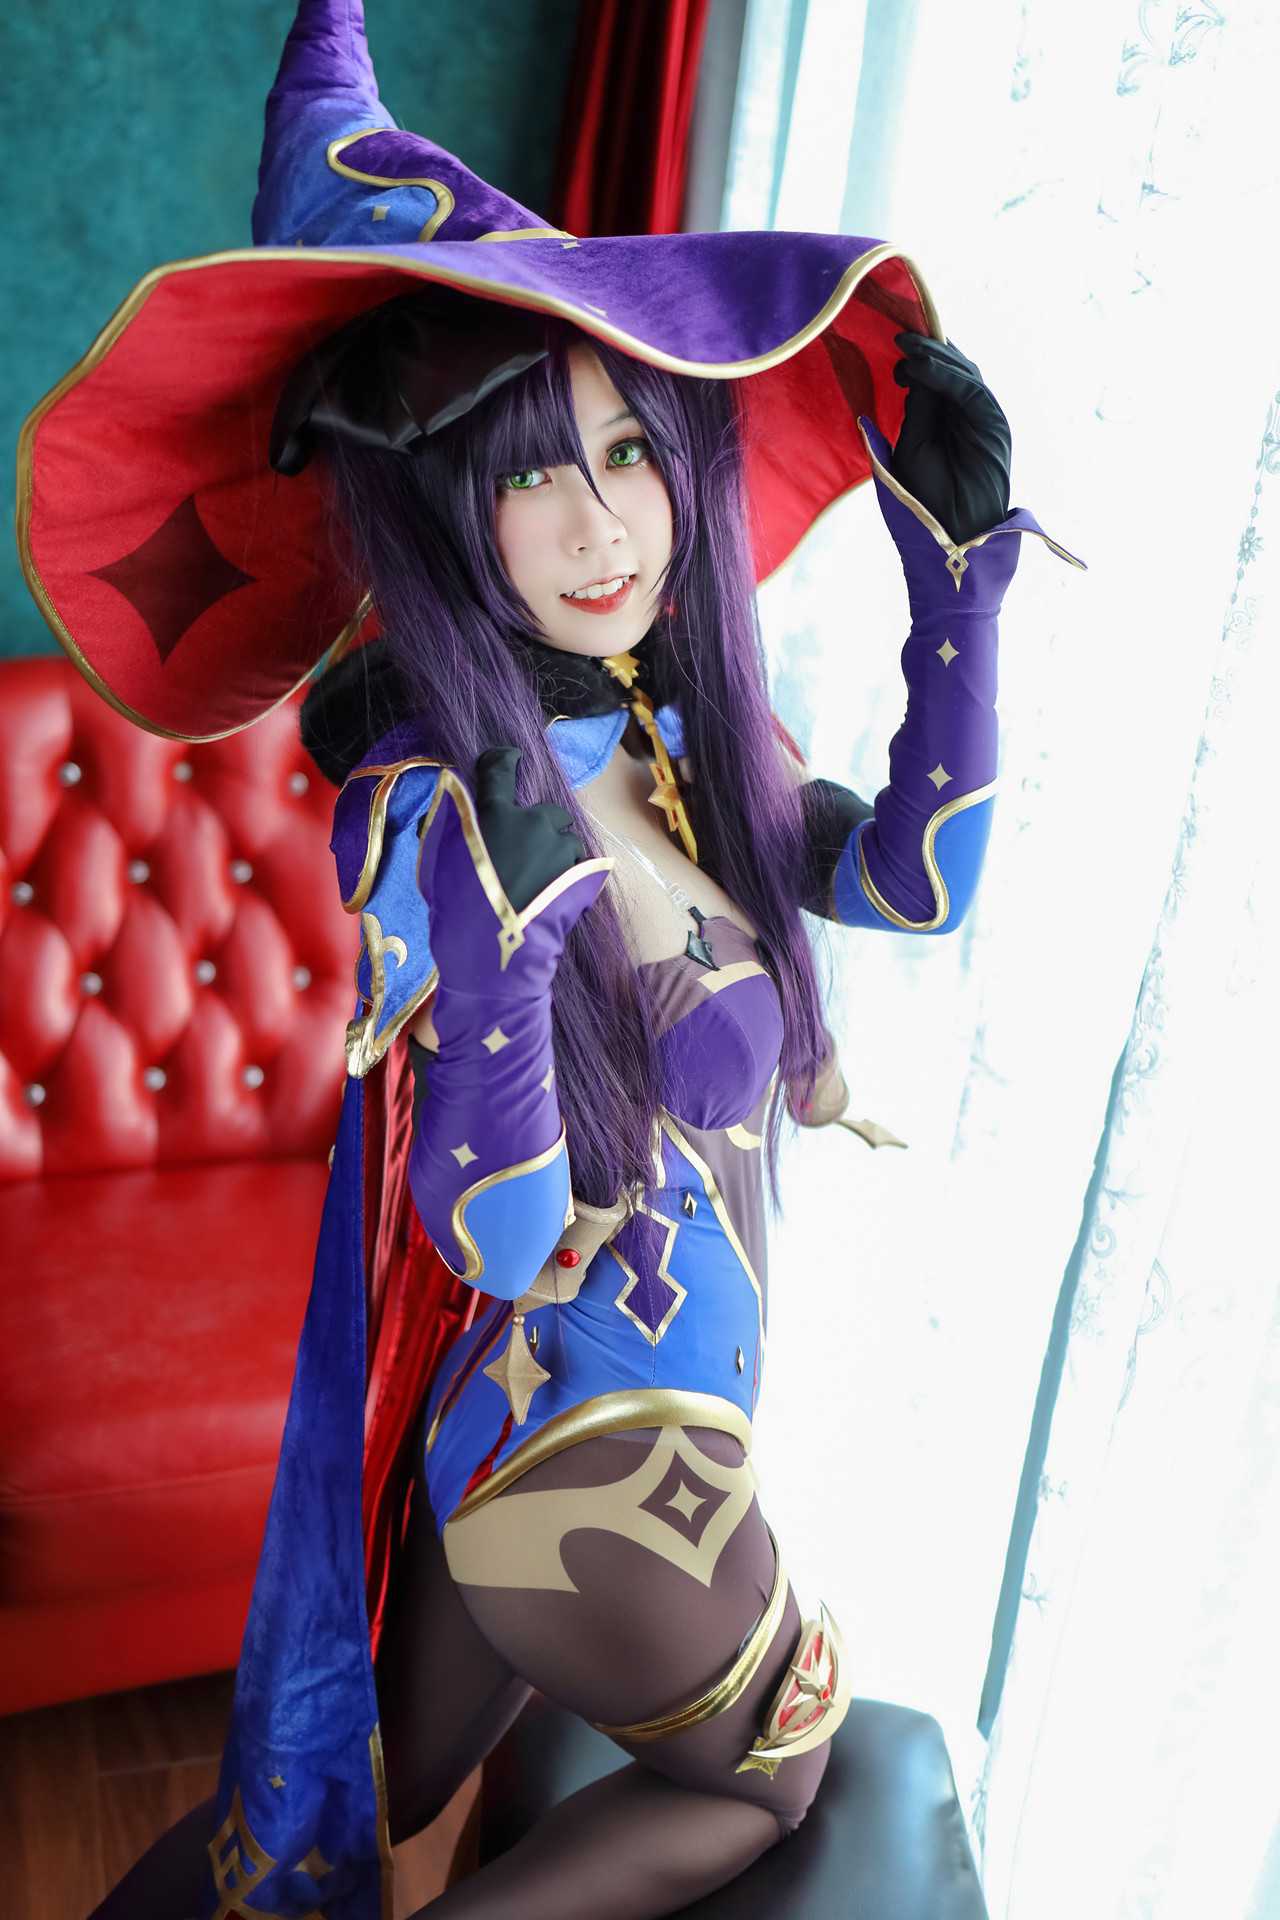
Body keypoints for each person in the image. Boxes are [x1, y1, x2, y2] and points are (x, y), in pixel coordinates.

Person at [16, 5, 1081, 1914]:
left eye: (626, 449)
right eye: (526, 478)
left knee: (320, 1815)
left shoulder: (679, 733)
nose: (601, 528)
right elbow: (493, 1231)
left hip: (543, 1438)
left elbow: (915, 883)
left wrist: (960, 588)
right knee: (776, 1785)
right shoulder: (433, 801)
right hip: (592, 1459)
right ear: (438, 506)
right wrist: (503, 967)